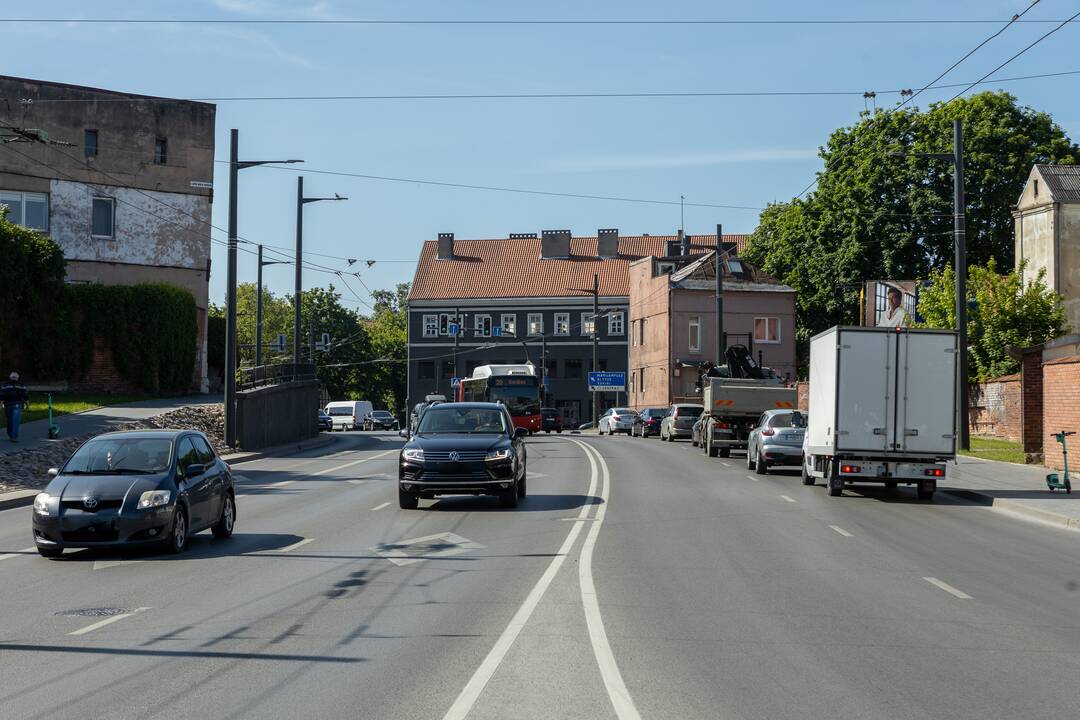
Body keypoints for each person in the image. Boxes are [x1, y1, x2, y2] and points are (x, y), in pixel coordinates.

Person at [1, 372, 29, 442]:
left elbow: (1, 396)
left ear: (10, 377)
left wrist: (1, 405)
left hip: (8, 405)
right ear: (17, 378)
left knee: (10, 421)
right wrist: (27, 405)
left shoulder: (5, 385)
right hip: (17, 405)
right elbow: (26, 396)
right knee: (15, 421)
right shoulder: (21, 385)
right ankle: (13, 436)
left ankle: (12, 435)